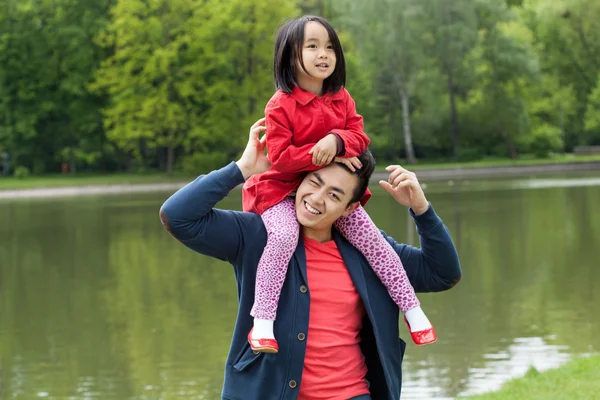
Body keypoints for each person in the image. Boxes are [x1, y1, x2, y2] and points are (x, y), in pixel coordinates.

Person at [159, 119, 461, 400]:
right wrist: (242, 169)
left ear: (350, 207)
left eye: (334, 195)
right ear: (299, 180)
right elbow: (179, 217)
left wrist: (421, 210)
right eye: (314, 182)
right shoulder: (257, 235)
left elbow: (442, 273)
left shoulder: (371, 251)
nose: (316, 199)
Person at [243, 15, 435, 354]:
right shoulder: (280, 105)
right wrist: (323, 154)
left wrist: (337, 139)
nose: (324, 54)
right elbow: (282, 157)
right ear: (291, 56)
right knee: (284, 238)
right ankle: (262, 324)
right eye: (313, 46)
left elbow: (360, 137)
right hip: (282, 191)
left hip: (329, 194)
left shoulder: (341, 97)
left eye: (330, 47)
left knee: (375, 244)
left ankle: (414, 311)